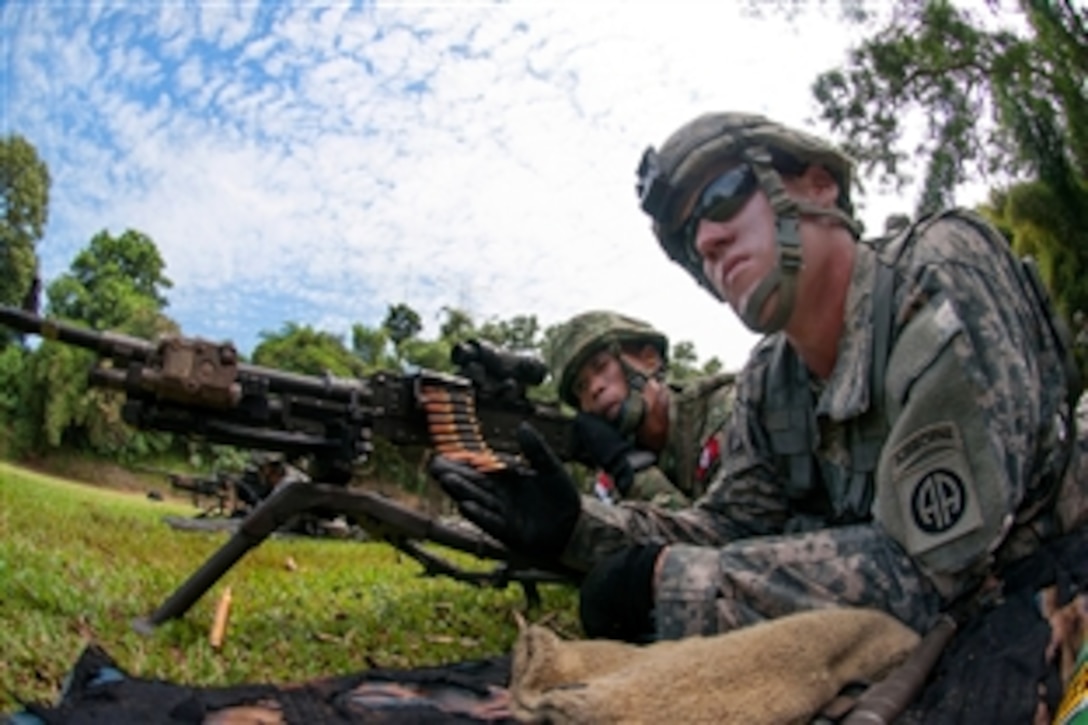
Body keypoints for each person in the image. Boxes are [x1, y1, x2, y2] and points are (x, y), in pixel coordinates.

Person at [430, 111, 1088, 717]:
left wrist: (671, 582)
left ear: (819, 184)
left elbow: (928, 566)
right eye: (690, 240)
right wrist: (579, 528)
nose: (708, 242)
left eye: (721, 196)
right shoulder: (771, 381)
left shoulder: (938, 272)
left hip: (1043, 573)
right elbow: (728, 524)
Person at [549, 310, 735, 508]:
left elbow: (724, 530)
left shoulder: (726, 412)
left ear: (649, 360)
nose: (594, 388)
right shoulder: (611, 476)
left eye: (601, 366)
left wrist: (635, 474)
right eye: (581, 387)